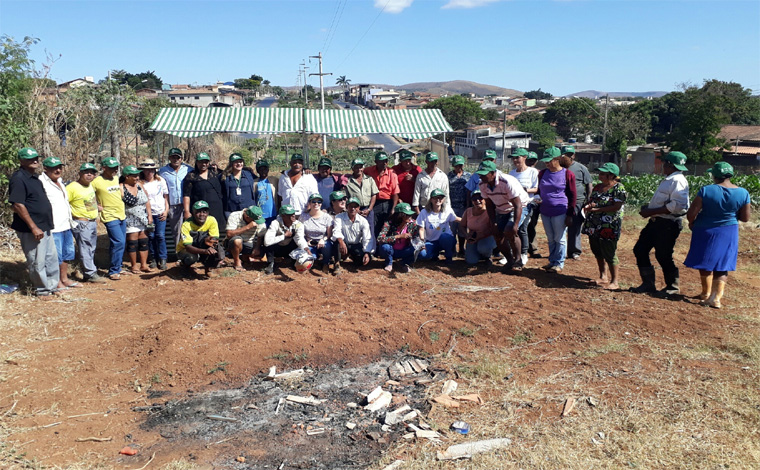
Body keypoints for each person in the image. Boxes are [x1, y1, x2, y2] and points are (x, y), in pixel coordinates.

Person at [684, 162, 751, 308]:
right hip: (729, 231)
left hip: (705, 229)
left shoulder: (706, 190)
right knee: (722, 264)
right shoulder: (743, 193)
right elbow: (745, 218)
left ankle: (705, 293)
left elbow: (691, 214)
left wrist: (692, 223)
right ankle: (716, 298)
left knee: (705, 260)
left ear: (714, 175)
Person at [631, 151, 690, 295]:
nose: (663, 166)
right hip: (656, 221)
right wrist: (650, 209)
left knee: (663, 255)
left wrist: (650, 212)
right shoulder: (670, 179)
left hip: (668, 224)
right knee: (640, 249)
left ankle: (672, 287)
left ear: (669, 164)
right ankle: (648, 284)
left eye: (665, 163)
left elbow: (678, 206)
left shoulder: (677, 180)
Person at [9, 147, 59, 298]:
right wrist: (33, 227)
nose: (35, 161)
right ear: (21, 161)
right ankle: (42, 290)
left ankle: (52, 286)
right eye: (30, 159)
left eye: (36, 158)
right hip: (32, 229)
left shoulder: (34, 177)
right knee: (37, 260)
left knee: (50, 258)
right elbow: (18, 204)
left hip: (45, 226)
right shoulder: (18, 178)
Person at [477, 160, 530, 270]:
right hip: (501, 208)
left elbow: (518, 205)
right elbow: (489, 204)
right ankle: (509, 260)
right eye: (480, 174)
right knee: (497, 234)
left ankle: (518, 261)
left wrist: (515, 225)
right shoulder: (482, 184)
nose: (481, 176)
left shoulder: (506, 182)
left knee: (510, 230)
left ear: (493, 173)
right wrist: (493, 223)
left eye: (484, 174)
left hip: (520, 206)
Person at [581, 163, 627, 290]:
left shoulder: (619, 188)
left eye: (603, 173)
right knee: (597, 250)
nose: (600, 175)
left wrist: (597, 209)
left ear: (611, 175)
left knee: (609, 252)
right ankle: (603, 276)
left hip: (609, 225)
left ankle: (615, 281)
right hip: (594, 224)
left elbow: (616, 207)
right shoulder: (598, 187)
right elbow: (593, 200)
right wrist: (591, 205)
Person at [40, 156, 79, 290]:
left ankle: (64, 278)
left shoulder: (61, 182)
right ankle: (55, 282)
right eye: (53, 168)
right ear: (45, 168)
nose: (57, 170)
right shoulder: (41, 182)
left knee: (67, 254)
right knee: (55, 256)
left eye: (59, 167)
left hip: (66, 224)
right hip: (53, 226)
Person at [536, 147, 577, 274]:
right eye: (545, 161)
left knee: (559, 238)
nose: (547, 163)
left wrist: (570, 214)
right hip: (545, 210)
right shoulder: (543, 173)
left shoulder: (567, 174)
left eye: (549, 161)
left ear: (558, 159)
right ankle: (552, 260)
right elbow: (539, 190)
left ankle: (559, 263)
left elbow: (572, 195)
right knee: (550, 237)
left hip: (560, 210)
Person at [67, 162, 105, 283]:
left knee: (90, 248)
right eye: (86, 172)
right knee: (85, 248)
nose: (89, 175)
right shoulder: (72, 187)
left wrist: (96, 207)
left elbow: (86, 201)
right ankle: (90, 273)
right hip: (81, 223)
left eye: (92, 173)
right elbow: (64, 204)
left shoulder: (89, 186)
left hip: (92, 222)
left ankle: (88, 271)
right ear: (80, 174)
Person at [92, 156, 127, 280]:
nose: (115, 170)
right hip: (109, 216)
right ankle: (113, 271)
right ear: (103, 168)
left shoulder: (116, 179)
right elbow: (86, 194)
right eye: (112, 168)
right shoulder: (96, 181)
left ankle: (117, 266)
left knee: (117, 243)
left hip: (121, 215)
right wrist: (95, 206)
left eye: (116, 167)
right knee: (119, 241)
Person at [508, 148, 539, 267]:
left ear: (525, 157)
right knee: (510, 227)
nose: (515, 160)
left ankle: (524, 254)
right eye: (513, 158)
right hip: (513, 205)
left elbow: (536, 189)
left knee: (521, 228)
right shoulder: (511, 173)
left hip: (528, 203)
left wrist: (523, 189)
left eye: (517, 157)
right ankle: (512, 254)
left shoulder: (533, 172)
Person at [177, 200, 224, 277]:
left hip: (202, 245)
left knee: (216, 250)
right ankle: (184, 266)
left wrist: (211, 245)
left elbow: (214, 239)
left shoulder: (212, 220)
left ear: (208, 213)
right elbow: (188, 247)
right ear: (193, 213)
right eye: (198, 212)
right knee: (191, 257)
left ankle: (208, 269)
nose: (202, 214)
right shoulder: (186, 224)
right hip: (186, 249)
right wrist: (205, 251)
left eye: (204, 212)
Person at [159, 147, 194, 251]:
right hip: (173, 205)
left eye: (178, 157)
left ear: (181, 158)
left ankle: (192, 252)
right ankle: (180, 253)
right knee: (176, 231)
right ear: (169, 158)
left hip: (187, 205)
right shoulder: (162, 171)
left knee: (190, 229)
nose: (176, 160)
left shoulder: (189, 169)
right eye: (173, 157)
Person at [561, 146, 592, 260]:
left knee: (575, 226)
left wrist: (589, 198)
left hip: (577, 201)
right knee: (560, 226)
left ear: (573, 155)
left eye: (570, 154)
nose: (567, 156)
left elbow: (588, 183)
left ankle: (574, 251)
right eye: (565, 154)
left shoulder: (580, 168)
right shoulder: (558, 167)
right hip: (561, 201)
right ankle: (561, 251)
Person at [121, 165, 153, 274]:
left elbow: (147, 200)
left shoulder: (140, 185)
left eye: (137, 175)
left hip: (142, 218)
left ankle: (143, 265)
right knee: (132, 243)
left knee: (144, 242)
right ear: (126, 176)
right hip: (130, 219)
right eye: (134, 175)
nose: (136, 177)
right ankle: (134, 266)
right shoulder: (121, 187)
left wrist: (150, 215)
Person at [139, 159, 169, 270]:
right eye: (147, 170)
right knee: (151, 236)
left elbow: (166, 197)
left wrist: (166, 211)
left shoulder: (160, 180)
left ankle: (163, 259)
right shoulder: (141, 183)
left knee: (160, 236)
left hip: (160, 212)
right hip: (147, 214)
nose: (150, 172)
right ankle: (153, 258)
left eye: (152, 170)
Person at [344, 158, 379, 252]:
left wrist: (370, 209)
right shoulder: (348, 182)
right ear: (352, 168)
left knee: (370, 229)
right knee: (356, 230)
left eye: (360, 167)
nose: (359, 169)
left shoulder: (369, 179)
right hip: (354, 210)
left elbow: (374, 195)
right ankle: (360, 251)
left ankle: (371, 251)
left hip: (368, 208)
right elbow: (346, 197)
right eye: (356, 167)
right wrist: (356, 210)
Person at [377, 202, 423, 273]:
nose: (410, 217)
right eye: (407, 215)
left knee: (417, 249)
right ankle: (389, 262)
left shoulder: (413, 224)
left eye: (410, 215)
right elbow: (380, 239)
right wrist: (398, 236)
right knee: (384, 247)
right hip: (391, 250)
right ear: (400, 215)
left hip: (404, 251)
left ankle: (404, 263)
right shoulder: (389, 223)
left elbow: (416, 238)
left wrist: (421, 245)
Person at [183, 152, 225, 228]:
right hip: (200, 211)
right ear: (196, 163)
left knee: (216, 233)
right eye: (201, 162)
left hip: (216, 209)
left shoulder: (215, 173)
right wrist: (186, 211)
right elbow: (186, 195)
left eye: (206, 162)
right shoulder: (191, 176)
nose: (203, 164)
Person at [417, 189, 459, 264]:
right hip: (431, 241)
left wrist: (469, 219)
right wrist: (422, 241)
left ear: (443, 199)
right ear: (431, 199)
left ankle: (449, 257)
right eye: (435, 198)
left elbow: (456, 219)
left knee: (446, 238)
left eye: (440, 198)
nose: (438, 200)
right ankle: (434, 255)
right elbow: (421, 228)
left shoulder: (447, 210)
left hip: (445, 240)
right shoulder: (424, 212)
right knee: (422, 254)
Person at [263, 204, 308, 275]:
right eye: (290, 214)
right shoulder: (275, 223)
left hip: (289, 249)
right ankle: (270, 263)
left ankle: (294, 262)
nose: (293, 215)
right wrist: (284, 236)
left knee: (297, 242)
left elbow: (300, 239)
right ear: (283, 216)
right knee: (268, 243)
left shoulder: (298, 225)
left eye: (293, 213)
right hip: (277, 248)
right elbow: (267, 241)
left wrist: (306, 248)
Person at [364, 151, 400, 239]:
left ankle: (385, 246)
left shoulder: (392, 173)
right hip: (374, 202)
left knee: (387, 225)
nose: (383, 163)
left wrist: (393, 208)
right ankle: (374, 248)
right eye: (380, 161)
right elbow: (359, 173)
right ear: (376, 162)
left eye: (385, 161)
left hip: (388, 202)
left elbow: (395, 192)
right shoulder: (369, 170)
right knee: (374, 225)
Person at [332, 197, 373, 274]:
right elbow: (336, 231)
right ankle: (337, 263)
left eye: (355, 206)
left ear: (358, 208)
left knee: (365, 260)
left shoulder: (363, 221)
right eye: (350, 206)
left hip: (356, 244)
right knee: (337, 241)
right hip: (344, 243)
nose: (353, 209)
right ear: (347, 207)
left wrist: (367, 253)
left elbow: (367, 237)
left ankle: (351, 256)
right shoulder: (339, 217)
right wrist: (341, 242)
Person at [459, 190, 496, 267]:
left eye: (480, 198)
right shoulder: (468, 211)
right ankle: (478, 254)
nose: (477, 201)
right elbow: (462, 225)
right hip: (473, 237)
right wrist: (467, 236)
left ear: (485, 199)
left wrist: (481, 235)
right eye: (474, 199)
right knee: (471, 261)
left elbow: (494, 228)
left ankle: (488, 256)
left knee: (484, 248)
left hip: (487, 236)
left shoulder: (490, 211)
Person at [299, 194, 335, 273]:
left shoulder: (327, 217)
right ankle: (314, 258)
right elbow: (300, 233)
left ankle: (326, 263)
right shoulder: (303, 216)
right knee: (309, 259)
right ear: (310, 203)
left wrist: (323, 239)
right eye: (314, 201)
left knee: (327, 245)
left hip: (322, 242)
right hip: (309, 242)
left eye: (319, 202)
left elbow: (329, 235)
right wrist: (306, 241)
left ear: (321, 204)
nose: (316, 204)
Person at [225, 205, 266, 271]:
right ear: (247, 217)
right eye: (254, 220)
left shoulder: (257, 217)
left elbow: (260, 236)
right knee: (237, 240)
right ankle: (237, 261)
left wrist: (257, 248)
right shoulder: (234, 215)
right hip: (233, 242)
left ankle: (245, 257)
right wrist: (247, 227)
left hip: (249, 242)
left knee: (260, 253)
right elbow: (229, 234)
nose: (256, 222)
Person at [447, 155, 472, 256]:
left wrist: (468, 205)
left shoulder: (468, 176)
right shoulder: (448, 176)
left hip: (464, 206)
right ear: (453, 166)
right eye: (456, 166)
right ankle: (452, 249)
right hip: (452, 207)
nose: (459, 167)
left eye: (460, 165)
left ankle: (462, 248)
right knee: (452, 229)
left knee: (462, 228)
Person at [221, 153, 256, 219]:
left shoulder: (249, 174)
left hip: (248, 210)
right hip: (232, 210)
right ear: (231, 164)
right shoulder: (225, 177)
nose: (239, 164)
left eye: (240, 162)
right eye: (236, 162)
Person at [525, 151, 542, 258]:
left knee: (532, 225)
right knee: (523, 225)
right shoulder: (522, 172)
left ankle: (532, 247)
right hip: (524, 201)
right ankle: (523, 247)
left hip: (536, 202)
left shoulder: (540, 173)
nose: (531, 162)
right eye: (529, 160)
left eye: (533, 160)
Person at [253, 160, 276, 224]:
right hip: (260, 215)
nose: (263, 171)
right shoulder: (255, 182)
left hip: (273, 213)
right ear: (257, 171)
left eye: (265, 169)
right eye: (261, 169)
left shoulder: (274, 180)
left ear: (268, 169)